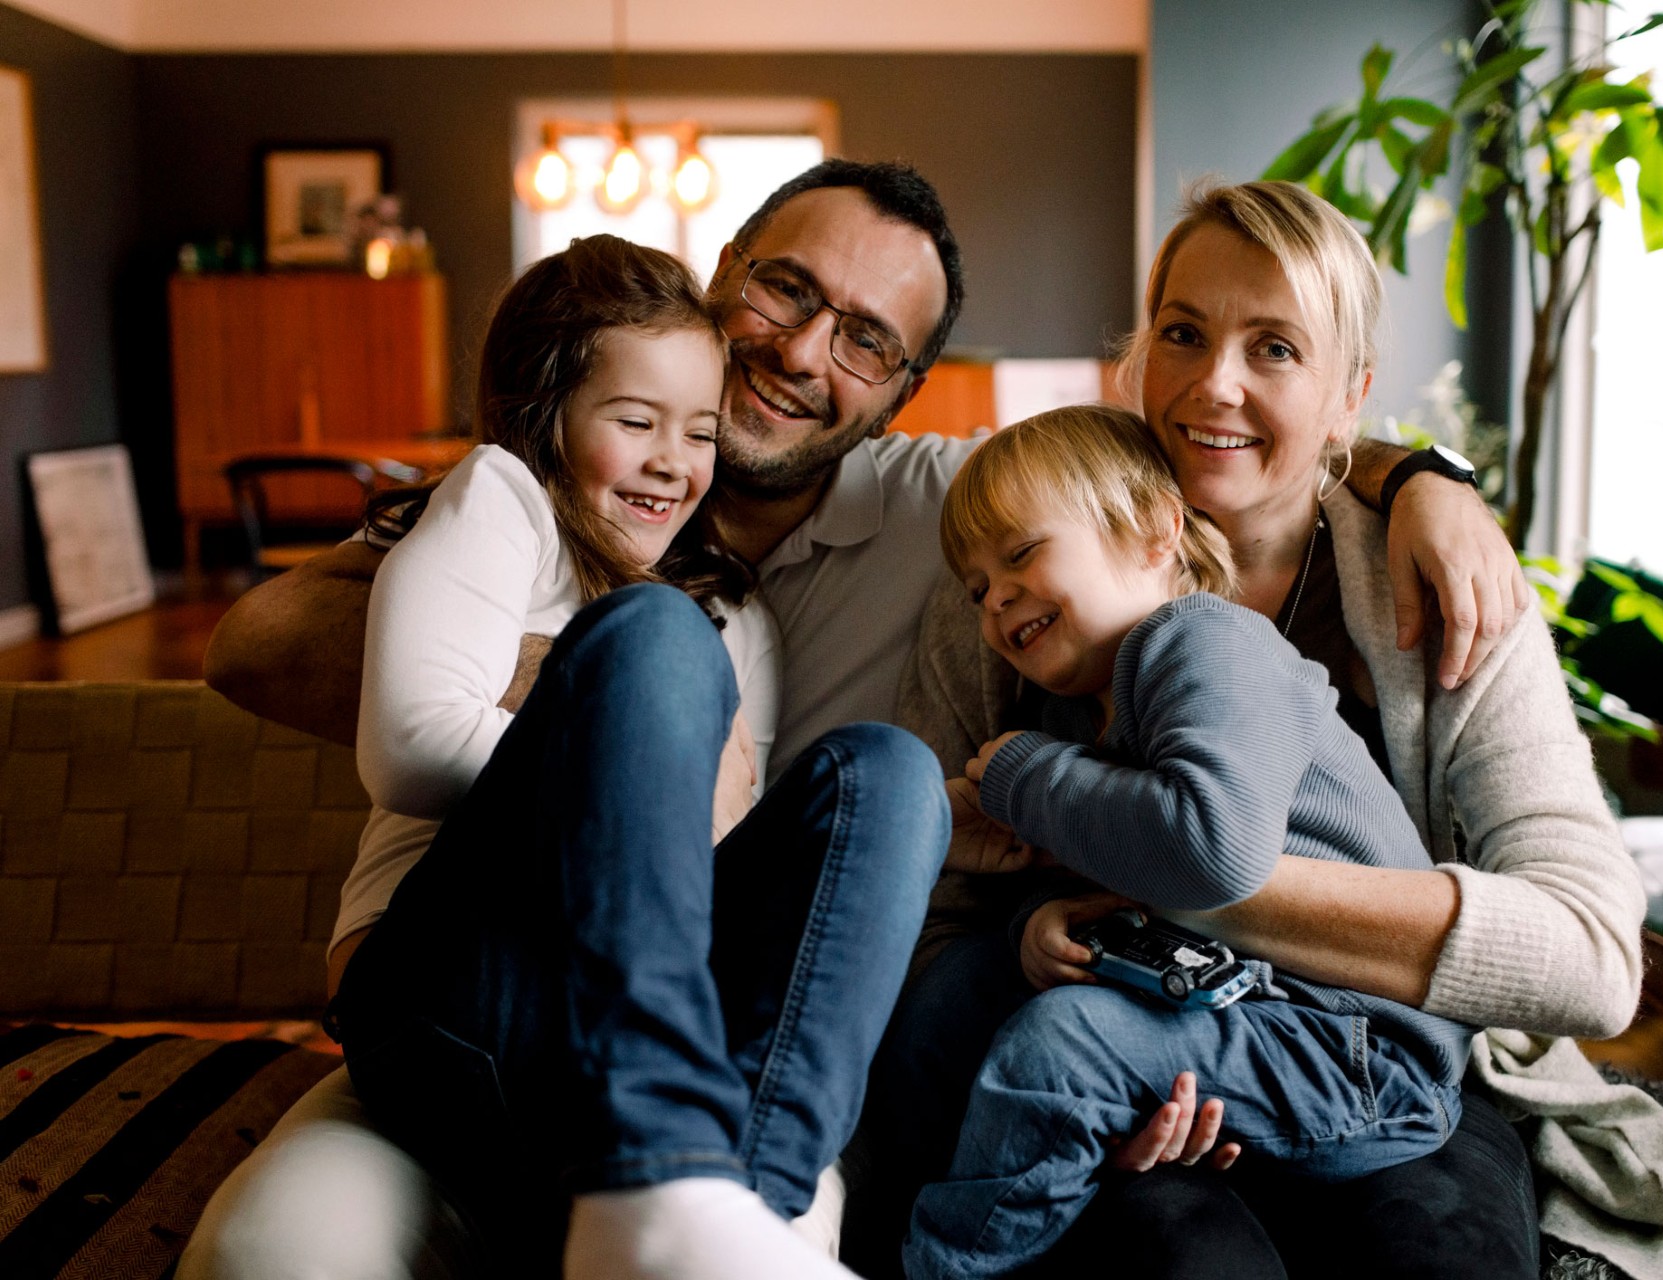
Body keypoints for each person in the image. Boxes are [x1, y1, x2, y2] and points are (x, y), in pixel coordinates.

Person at [190, 160, 1527, 1278]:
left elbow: (1166, 463)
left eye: (869, 342)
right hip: (481, 1002)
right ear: (719, 278)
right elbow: (253, 647)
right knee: (270, 1260)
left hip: (732, 1038)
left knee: (885, 773)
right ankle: (665, 1178)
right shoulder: (561, 470)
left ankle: (726, 1202)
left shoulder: (940, 510)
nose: (802, 353)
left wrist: (1425, 476)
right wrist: (597, 705)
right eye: (782, 289)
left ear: (900, 397)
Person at [878, 180, 1641, 1280]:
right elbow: (933, 915)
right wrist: (1043, 942)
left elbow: (1596, 956)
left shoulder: (1434, 583)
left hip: (1374, 1052)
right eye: (1182, 333)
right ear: (1138, 357)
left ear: (1350, 398)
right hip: (1123, 1038)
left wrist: (1421, 477)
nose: (1213, 383)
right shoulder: (1021, 564)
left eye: (1275, 348)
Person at [899, 405, 1474, 1279]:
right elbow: (1110, 875)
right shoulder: (1070, 712)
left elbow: (1213, 847)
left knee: (1064, 1046)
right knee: (960, 992)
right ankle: (885, 1193)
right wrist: (1039, 922)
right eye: (977, 588)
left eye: (1020, 554)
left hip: (1361, 1048)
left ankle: (947, 1264)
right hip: (1233, 1001)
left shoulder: (1207, 641)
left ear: (1154, 531)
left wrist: (1019, 776)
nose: (997, 598)